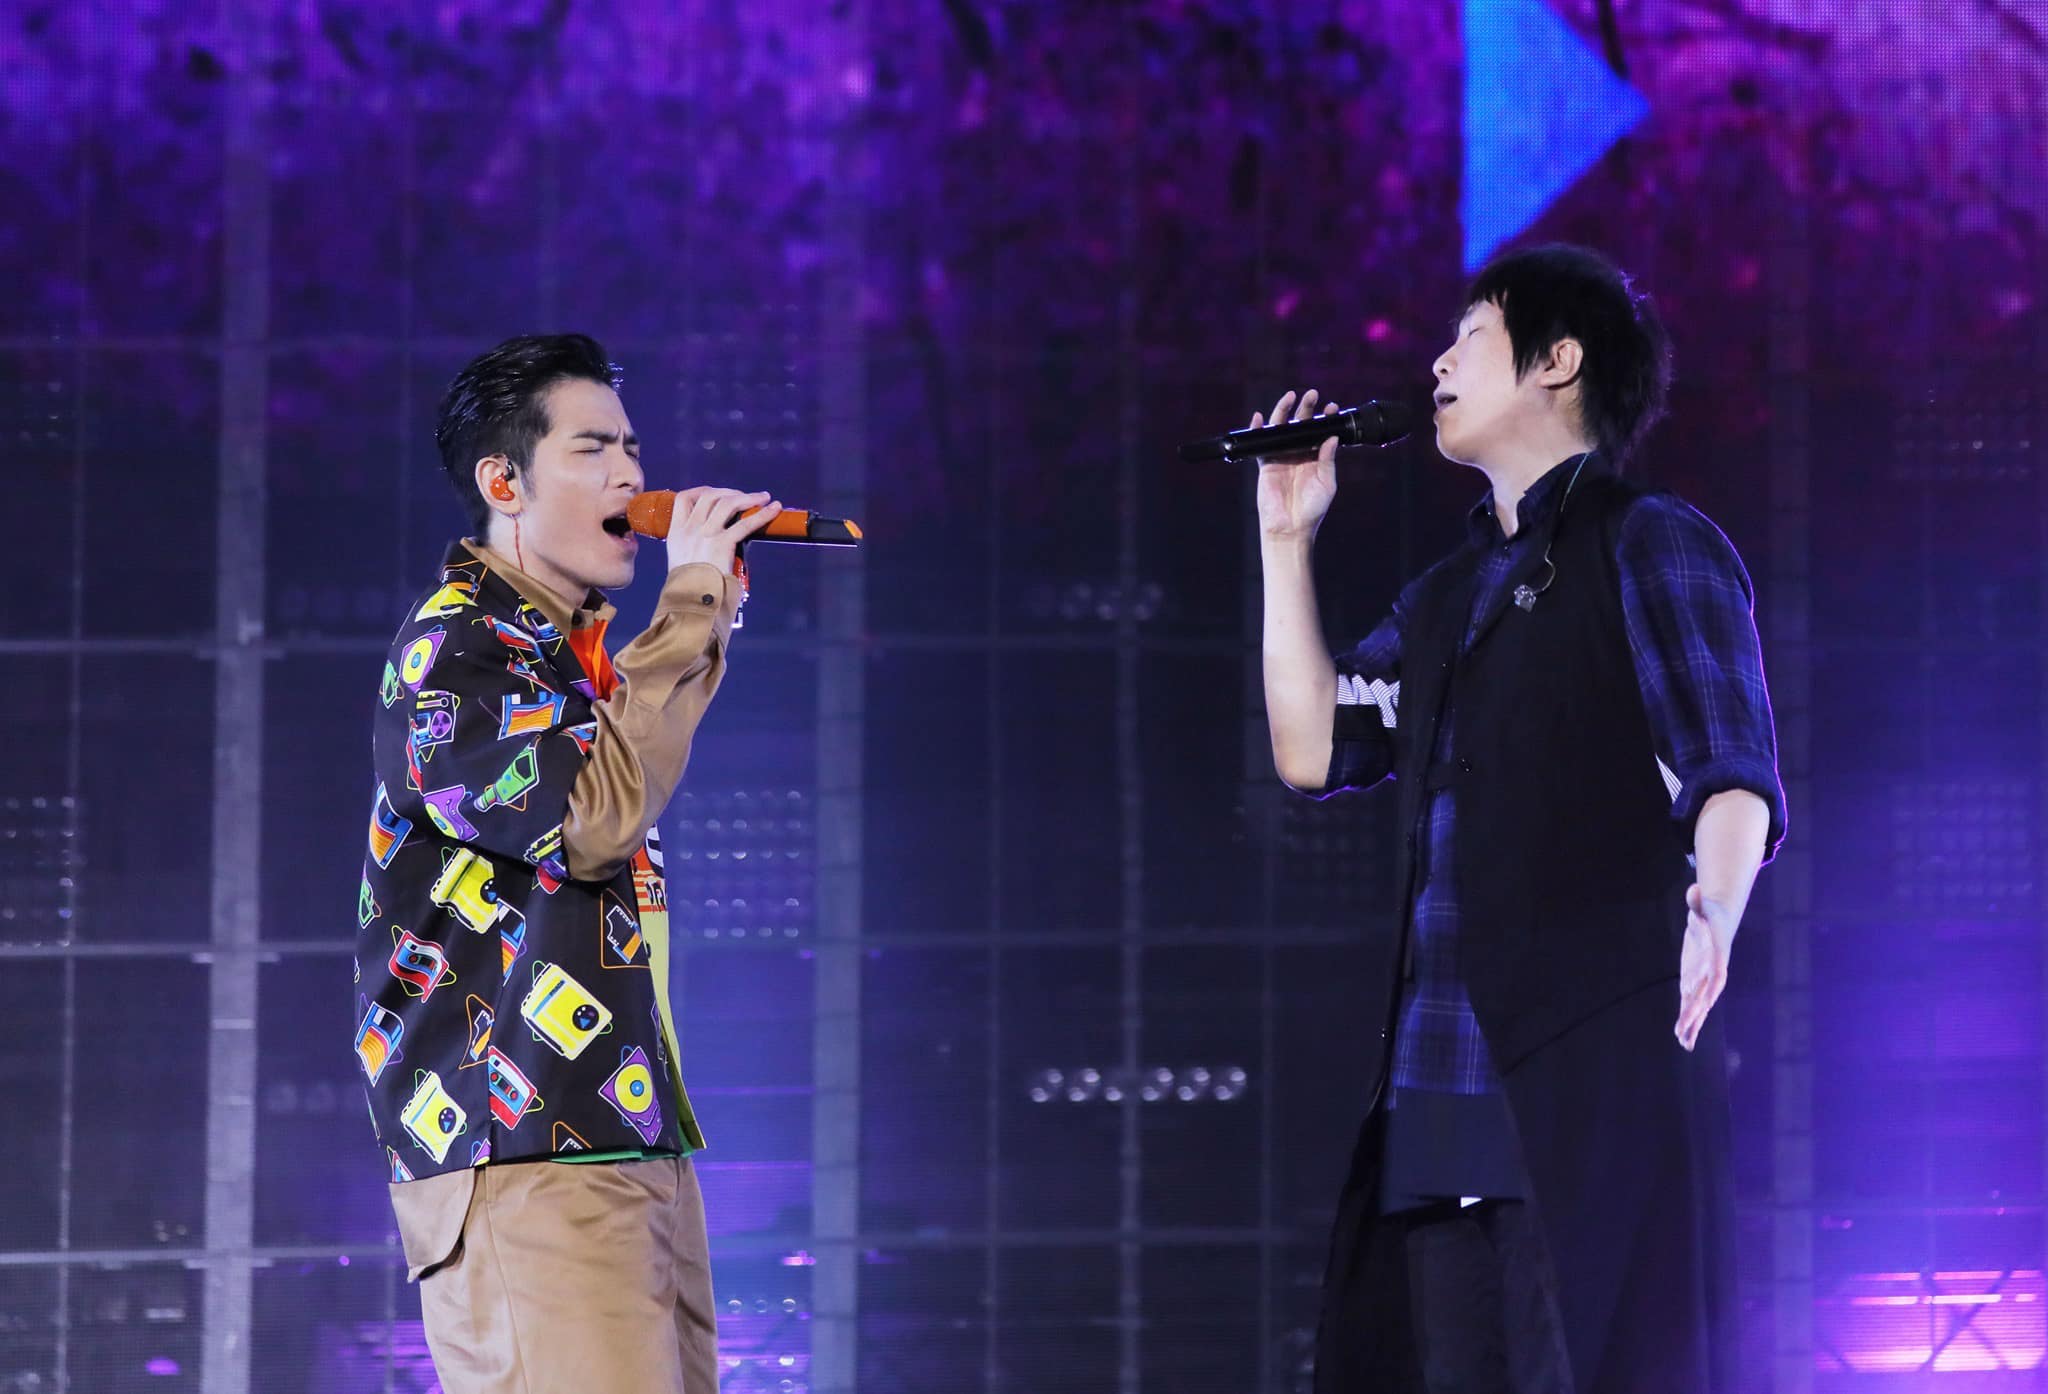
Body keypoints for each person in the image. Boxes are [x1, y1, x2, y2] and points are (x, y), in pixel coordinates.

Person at [1256, 245, 1785, 1392]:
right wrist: (1284, 539)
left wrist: (1714, 909)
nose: (1437, 362)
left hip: (1578, 1066)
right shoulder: (1446, 596)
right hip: (1437, 1079)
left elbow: (1729, 768)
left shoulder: (1647, 539)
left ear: (1557, 360)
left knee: (1588, 1356)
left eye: (1470, 336)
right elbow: (1311, 747)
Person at [352, 333, 782, 1393]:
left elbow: (618, 788)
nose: (630, 475)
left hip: (618, 1134)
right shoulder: (456, 647)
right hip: (522, 1148)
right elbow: (593, 821)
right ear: (504, 482)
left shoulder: (560, 657)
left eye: (632, 447)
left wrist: (708, 609)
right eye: (593, 449)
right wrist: (687, 599)